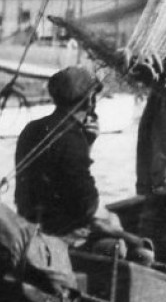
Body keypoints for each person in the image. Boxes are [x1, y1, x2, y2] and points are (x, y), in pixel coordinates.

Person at [15, 66, 155, 264]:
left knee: (112, 223)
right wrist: (122, 232)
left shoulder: (31, 129)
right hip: (59, 236)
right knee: (141, 253)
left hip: (31, 224)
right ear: (89, 101)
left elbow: (59, 182)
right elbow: (87, 207)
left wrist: (87, 144)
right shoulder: (72, 140)